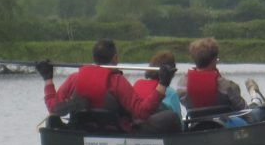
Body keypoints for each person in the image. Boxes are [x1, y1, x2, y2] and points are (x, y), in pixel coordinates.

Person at [35, 38, 167, 131]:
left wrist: (48, 79)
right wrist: (163, 84)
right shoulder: (117, 82)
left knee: (52, 119)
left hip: (81, 131)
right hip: (111, 133)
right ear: (115, 58)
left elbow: (53, 108)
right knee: (168, 117)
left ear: (94, 58)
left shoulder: (74, 79)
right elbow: (141, 112)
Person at [176, 37, 264, 111]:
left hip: (196, 124)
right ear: (214, 60)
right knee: (256, 108)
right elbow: (243, 109)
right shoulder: (228, 86)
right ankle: (257, 98)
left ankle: (256, 97)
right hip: (225, 125)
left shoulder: (182, 85)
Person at [130, 51, 182, 134]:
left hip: (136, 129)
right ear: (172, 72)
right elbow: (179, 124)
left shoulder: (137, 84)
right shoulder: (171, 93)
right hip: (157, 132)